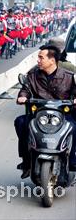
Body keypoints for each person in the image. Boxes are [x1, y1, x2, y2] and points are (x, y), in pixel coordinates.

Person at [14, 45, 76, 178]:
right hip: (39, 115)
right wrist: (23, 96)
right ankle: (26, 160)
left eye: (41, 58)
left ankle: (71, 161)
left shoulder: (69, 77)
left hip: (62, 116)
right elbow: (26, 88)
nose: (38, 60)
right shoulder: (33, 75)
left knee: (73, 127)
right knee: (20, 122)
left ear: (52, 60)